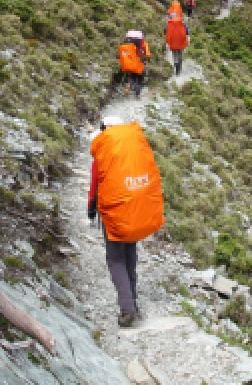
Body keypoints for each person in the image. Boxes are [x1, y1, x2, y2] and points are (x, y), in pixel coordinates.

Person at [88, 116, 165, 327]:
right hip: (135, 210)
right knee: (130, 254)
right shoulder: (134, 150)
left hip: (114, 213)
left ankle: (127, 309)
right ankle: (133, 303)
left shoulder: (104, 152)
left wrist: (91, 209)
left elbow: (95, 184)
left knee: (115, 260)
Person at [118, 31, 149, 98]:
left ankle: (129, 84)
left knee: (132, 77)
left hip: (129, 65)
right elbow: (146, 55)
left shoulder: (126, 46)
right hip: (138, 65)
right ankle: (137, 95)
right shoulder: (143, 45)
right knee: (140, 80)